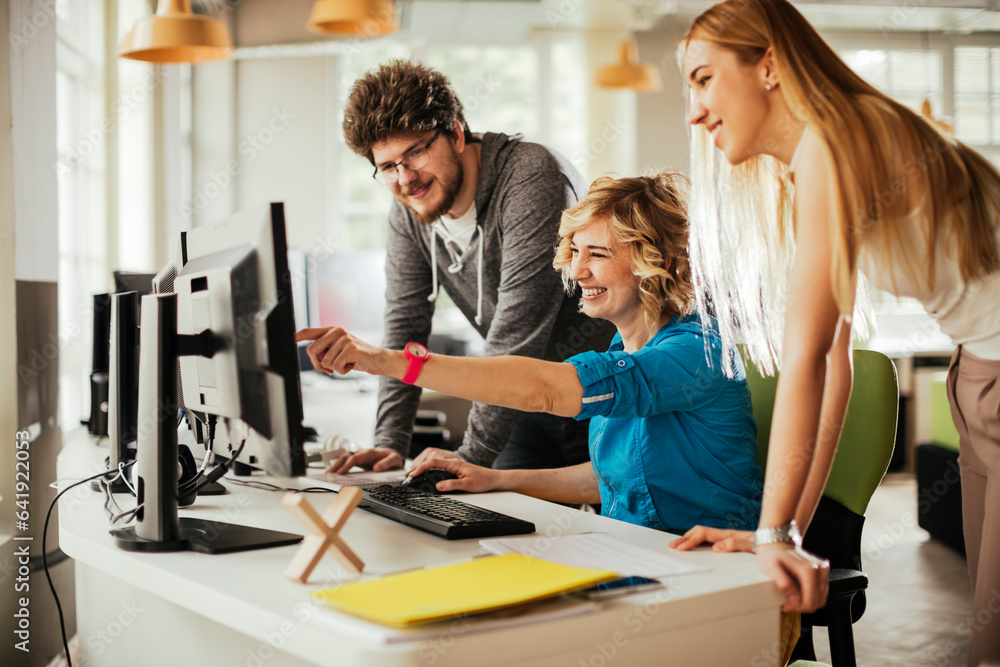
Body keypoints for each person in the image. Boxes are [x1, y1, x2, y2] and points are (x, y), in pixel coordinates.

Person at [674, 0, 1000, 660]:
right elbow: (834, 362)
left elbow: (809, 356)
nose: (695, 111)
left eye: (704, 78)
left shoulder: (838, 140)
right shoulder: (816, 163)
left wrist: (768, 536)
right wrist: (788, 529)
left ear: (768, 65)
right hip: (978, 372)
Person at [298, 172, 764, 538]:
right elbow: (605, 479)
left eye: (597, 254)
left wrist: (387, 360)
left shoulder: (698, 352)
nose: (577, 271)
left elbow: (544, 391)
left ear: (657, 261)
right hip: (642, 553)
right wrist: (492, 478)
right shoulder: (624, 345)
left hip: (716, 572)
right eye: (575, 251)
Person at [324, 60, 614, 476]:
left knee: (616, 531)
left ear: (456, 133)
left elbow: (518, 332)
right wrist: (390, 442)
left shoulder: (531, 177)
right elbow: (405, 324)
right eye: (387, 167)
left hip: (604, 390)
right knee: (510, 524)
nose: (406, 179)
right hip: (519, 398)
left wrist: (470, 456)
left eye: (416, 152)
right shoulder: (409, 212)